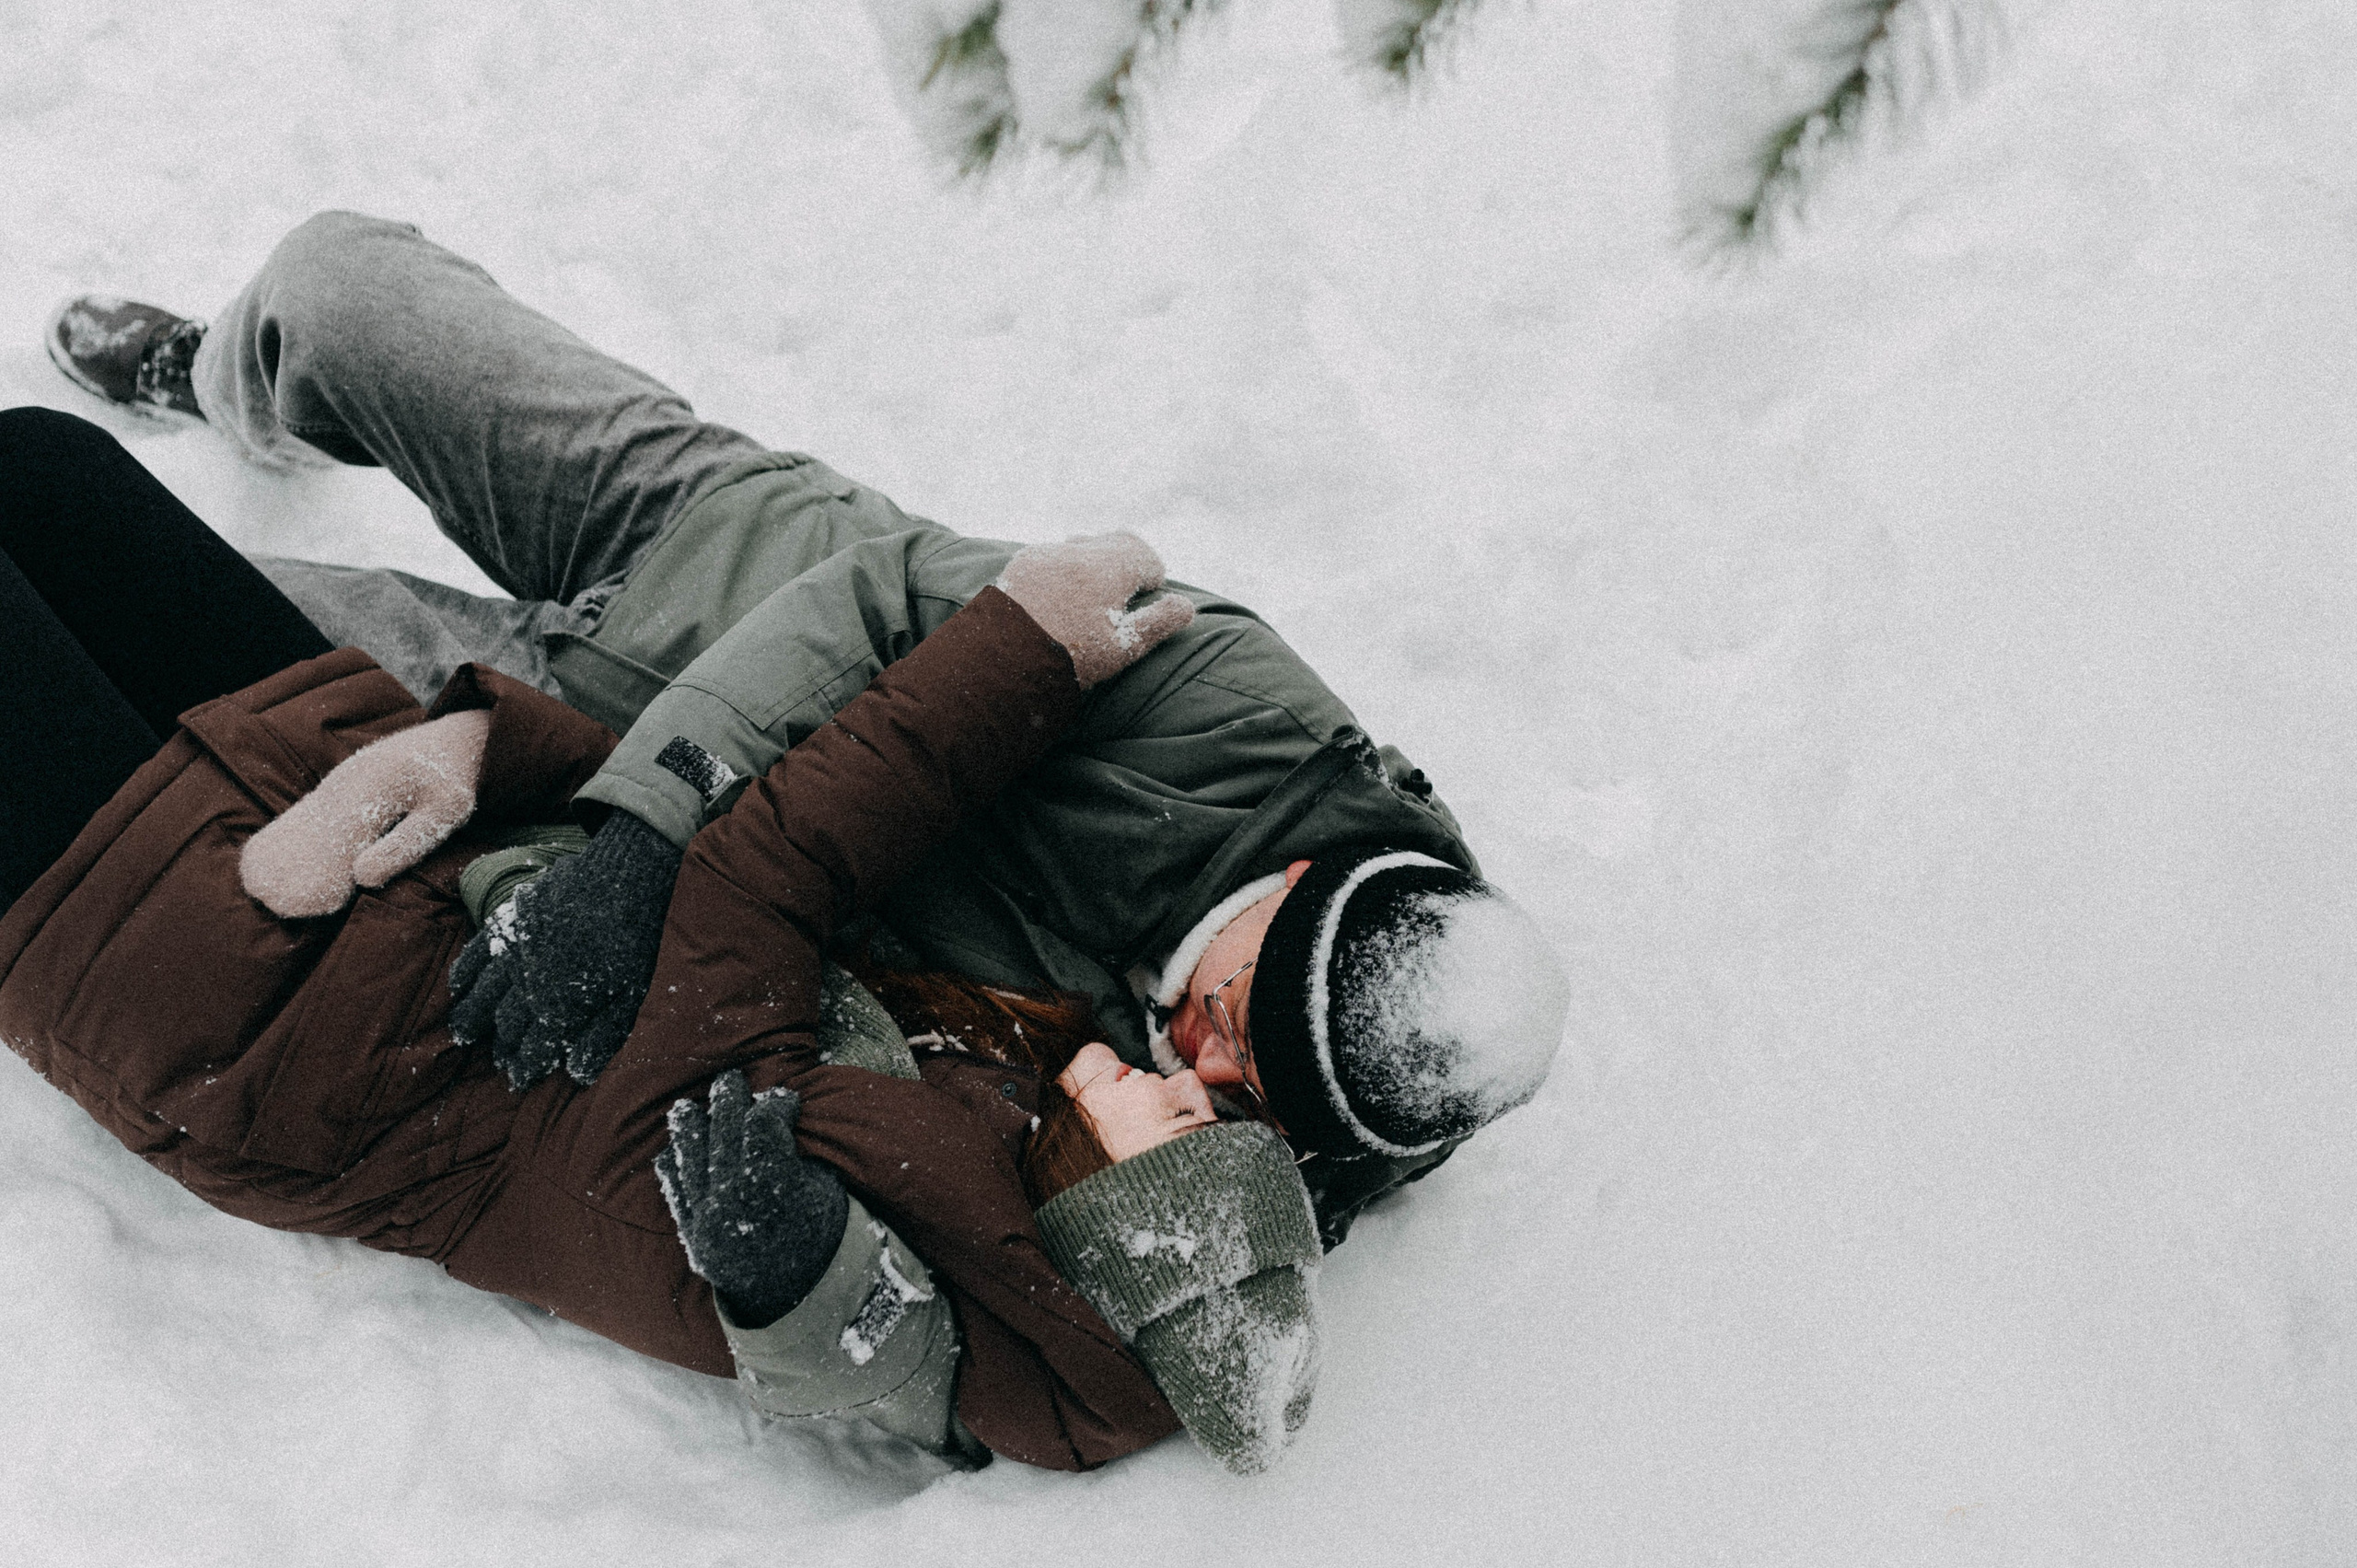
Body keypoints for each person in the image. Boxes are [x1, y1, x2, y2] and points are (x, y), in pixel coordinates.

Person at [48, 212, 1572, 1249]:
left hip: (552, 734)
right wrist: (650, 827)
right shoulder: (1236, 714)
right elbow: (890, 597)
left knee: (117, 590)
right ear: (1300, 893)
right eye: (1235, 1017)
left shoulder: (1306, 1111)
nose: (1203, 1060)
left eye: (1238, 1092)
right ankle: (231, 375)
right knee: (343, 285)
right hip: (709, 540)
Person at [0, 406, 1316, 1472]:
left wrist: (1021, 652)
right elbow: (686, 910)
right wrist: (491, 750)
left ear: (1119, 1207)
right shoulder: (1006, 1095)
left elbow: (756, 884)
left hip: (248, 1002)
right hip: (411, 828)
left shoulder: (875, 1202)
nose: (1183, 1082)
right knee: (42, 468)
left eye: (1183, 1129)